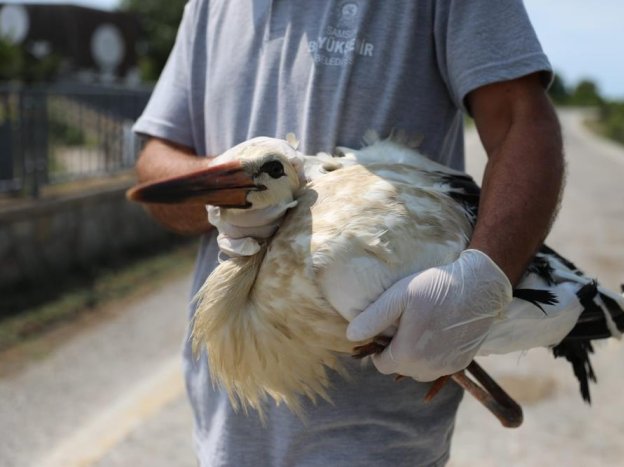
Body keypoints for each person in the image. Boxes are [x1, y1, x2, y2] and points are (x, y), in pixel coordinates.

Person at [133, 0, 563, 465]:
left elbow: (522, 120)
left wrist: (482, 280)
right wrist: (233, 192)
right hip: (227, 420)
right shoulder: (211, 5)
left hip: (374, 438)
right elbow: (155, 161)